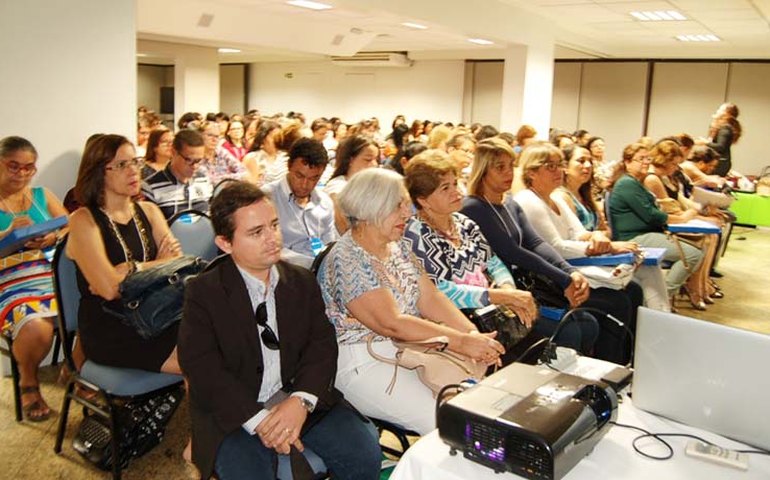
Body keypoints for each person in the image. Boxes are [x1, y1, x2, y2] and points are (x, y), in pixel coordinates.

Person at [179, 181, 381, 480]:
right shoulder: (205, 292)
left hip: (295, 393)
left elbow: (322, 345)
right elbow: (203, 368)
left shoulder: (300, 281)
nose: (272, 238)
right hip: (236, 410)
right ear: (225, 243)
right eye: (256, 232)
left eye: (273, 225)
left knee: (364, 451)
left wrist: (300, 401)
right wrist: (261, 421)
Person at [318, 168, 504, 434]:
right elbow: (391, 324)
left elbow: (430, 297)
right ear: (370, 209)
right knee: (450, 423)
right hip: (362, 364)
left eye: (406, 204)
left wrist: (474, 335)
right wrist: (461, 342)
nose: (408, 213)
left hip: (410, 349)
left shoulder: (397, 245)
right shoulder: (347, 259)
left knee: (475, 404)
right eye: (398, 206)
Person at [461, 138, 642, 365]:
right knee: (573, 331)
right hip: (501, 297)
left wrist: (570, 273)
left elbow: (536, 243)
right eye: (500, 167)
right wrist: (564, 279)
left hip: (527, 287)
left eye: (511, 165)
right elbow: (512, 252)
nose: (508, 172)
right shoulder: (474, 207)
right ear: (483, 170)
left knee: (588, 325)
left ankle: (595, 380)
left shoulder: (509, 203)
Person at [67, 134, 183, 373]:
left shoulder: (149, 211)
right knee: (202, 359)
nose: (133, 171)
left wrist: (132, 269)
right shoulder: (83, 220)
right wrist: (159, 264)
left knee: (210, 339)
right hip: (110, 326)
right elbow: (109, 289)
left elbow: (178, 264)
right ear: (98, 172)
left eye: (135, 162)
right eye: (121, 165)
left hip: (156, 311)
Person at [514, 142, 670, 312]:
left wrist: (596, 236)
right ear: (531, 172)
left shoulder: (555, 198)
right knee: (619, 301)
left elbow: (580, 233)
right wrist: (606, 247)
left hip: (571, 265)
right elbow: (556, 247)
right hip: (548, 276)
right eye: (551, 166)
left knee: (634, 290)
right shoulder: (528, 201)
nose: (559, 171)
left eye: (560, 165)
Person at [0, 136, 68, 421]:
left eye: (29, 168)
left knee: (96, 302)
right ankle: (28, 382)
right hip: (7, 281)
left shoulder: (41, 194)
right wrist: (8, 235)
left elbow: (70, 224)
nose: (22, 174)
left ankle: (75, 367)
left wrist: (52, 236)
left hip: (46, 271)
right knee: (37, 328)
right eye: (14, 167)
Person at [607, 142, 704, 306]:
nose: (646, 162)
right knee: (694, 255)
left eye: (648, 158)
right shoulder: (627, 184)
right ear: (627, 161)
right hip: (634, 238)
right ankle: (662, 297)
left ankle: (660, 299)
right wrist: (681, 219)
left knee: (696, 250)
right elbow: (652, 215)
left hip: (645, 234)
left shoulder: (634, 182)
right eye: (641, 159)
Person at [262, 138, 338, 269]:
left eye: (314, 178)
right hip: (281, 270)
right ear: (289, 166)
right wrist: (312, 264)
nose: (305, 185)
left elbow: (329, 246)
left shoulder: (325, 203)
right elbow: (266, 247)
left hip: (319, 271)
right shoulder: (266, 198)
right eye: (299, 176)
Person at [142, 129, 213, 220]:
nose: (195, 166)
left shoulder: (204, 180)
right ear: (174, 153)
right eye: (189, 160)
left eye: (199, 161)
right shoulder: (151, 187)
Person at [324, 135, 379, 234]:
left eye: (376, 159)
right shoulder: (337, 187)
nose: (374, 164)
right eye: (368, 159)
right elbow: (345, 228)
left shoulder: (370, 187)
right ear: (351, 160)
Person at [706, 102, 742, 177]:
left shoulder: (725, 127)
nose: (717, 111)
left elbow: (721, 147)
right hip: (720, 162)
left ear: (726, 112)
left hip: (720, 163)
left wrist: (705, 143)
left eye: (720, 109)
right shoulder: (723, 126)